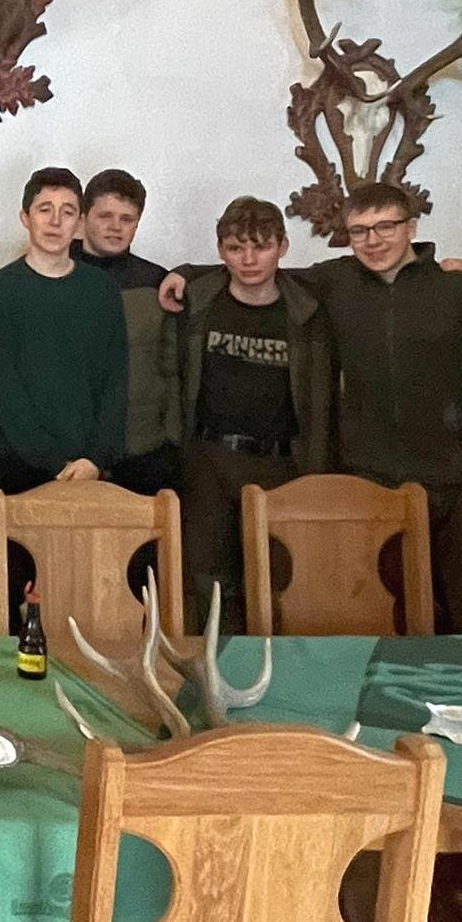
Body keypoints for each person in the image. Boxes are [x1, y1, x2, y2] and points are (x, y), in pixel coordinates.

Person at [161, 184, 462, 632]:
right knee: (386, 613)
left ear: (411, 228)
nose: (373, 241)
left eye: (385, 227)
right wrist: (183, 272)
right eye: (360, 231)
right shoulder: (336, 283)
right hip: (375, 481)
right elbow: (258, 268)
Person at [162, 197, 334, 630]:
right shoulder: (199, 303)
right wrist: (185, 271)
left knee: (279, 579)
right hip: (209, 460)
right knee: (208, 583)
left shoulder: (307, 311)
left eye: (261, 247)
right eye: (236, 248)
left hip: (280, 464)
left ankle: (277, 668)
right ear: (221, 251)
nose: (249, 259)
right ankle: (215, 666)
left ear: (283, 247)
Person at [0, 167, 127, 494]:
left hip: (87, 467)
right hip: (17, 466)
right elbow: (0, 388)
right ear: (25, 218)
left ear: (80, 223)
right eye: (45, 210)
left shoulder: (102, 290)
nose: (55, 221)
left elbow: (115, 380)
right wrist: (53, 461)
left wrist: (94, 458)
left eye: (67, 211)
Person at [73, 169, 179, 496]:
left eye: (127, 218)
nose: (116, 226)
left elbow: (173, 367)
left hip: (141, 448)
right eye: (105, 216)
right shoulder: (53, 273)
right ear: (83, 217)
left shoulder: (157, 284)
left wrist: (171, 437)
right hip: (70, 448)